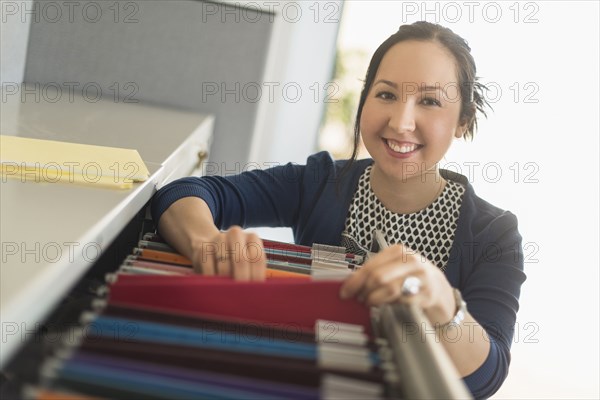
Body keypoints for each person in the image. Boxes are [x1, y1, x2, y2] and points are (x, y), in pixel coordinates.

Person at [150, 21, 526, 399]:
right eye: (386, 94)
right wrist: (207, 241)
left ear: (463, 119)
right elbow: (183, 192)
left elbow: (485, 378)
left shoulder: (494, 234)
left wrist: (443, 303)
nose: (400, 122)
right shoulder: (320, 183)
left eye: (429, 101)